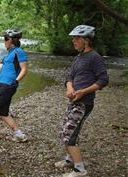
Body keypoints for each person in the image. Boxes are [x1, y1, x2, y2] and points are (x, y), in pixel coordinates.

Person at [55, 25, 109, 177]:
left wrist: (83, 92)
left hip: (84, 103)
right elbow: (69, 76)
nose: (73, 41)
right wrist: (69, 88)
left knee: (70, 135)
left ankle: (80, 169)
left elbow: (103, 80)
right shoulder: (78, 57)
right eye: (73, 38)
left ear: (86, 40)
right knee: (64, 130)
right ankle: (69, 159)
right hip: (74, 101)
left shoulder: (95, 57)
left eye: (76, 38)